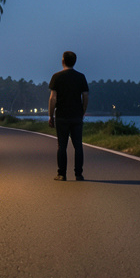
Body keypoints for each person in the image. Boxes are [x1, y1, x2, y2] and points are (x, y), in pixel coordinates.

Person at [48, 51, 89, 181]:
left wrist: (51, 115)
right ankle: (78, 174)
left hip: (61, 116)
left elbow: (52, 98)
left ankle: (62, 174)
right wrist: (82, 111)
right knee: (78, 145)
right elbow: (85, 96)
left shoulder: (57, 77)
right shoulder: (81, 77)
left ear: (63, 61)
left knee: (62, 146)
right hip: (76, 115)